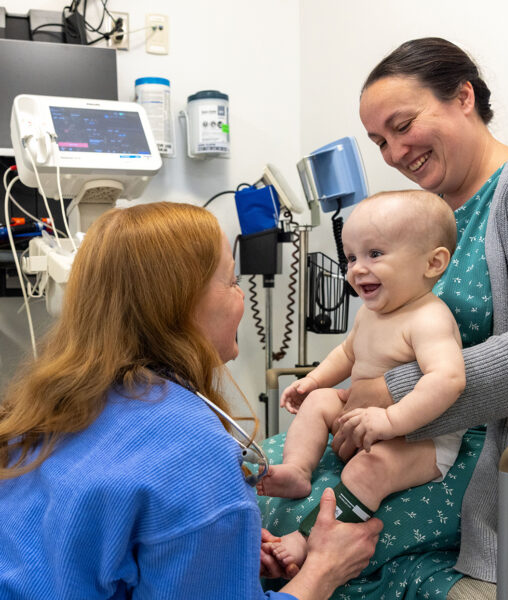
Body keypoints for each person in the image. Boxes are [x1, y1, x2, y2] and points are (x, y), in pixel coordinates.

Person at [0, 201, 382, 599]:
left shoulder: (46, 405)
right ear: (181, 305)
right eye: (233, 282)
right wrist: (323, 570)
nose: (243, 299)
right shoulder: (195, 453)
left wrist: (211, 549)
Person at [327, 37, 508, 588]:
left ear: (464, 97)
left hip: (497, 465)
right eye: (380, 140)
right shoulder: (429, 221)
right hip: (415, 439)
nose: (394, 152)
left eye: (403, 126)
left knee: (318, 528)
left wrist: (395, 392)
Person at [257, 190, 466, 575]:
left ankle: (307, 540)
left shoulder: (428, 318)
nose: (356, 268)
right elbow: (348, 354)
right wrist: (314, 380)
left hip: (420, 439)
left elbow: (449, 379)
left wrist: (390, 422)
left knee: (368, 469)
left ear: (433, 263)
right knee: (321, 400)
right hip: (361, 417)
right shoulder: (372, 313)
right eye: (351, 257)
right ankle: (298, 473)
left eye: (375, 254)